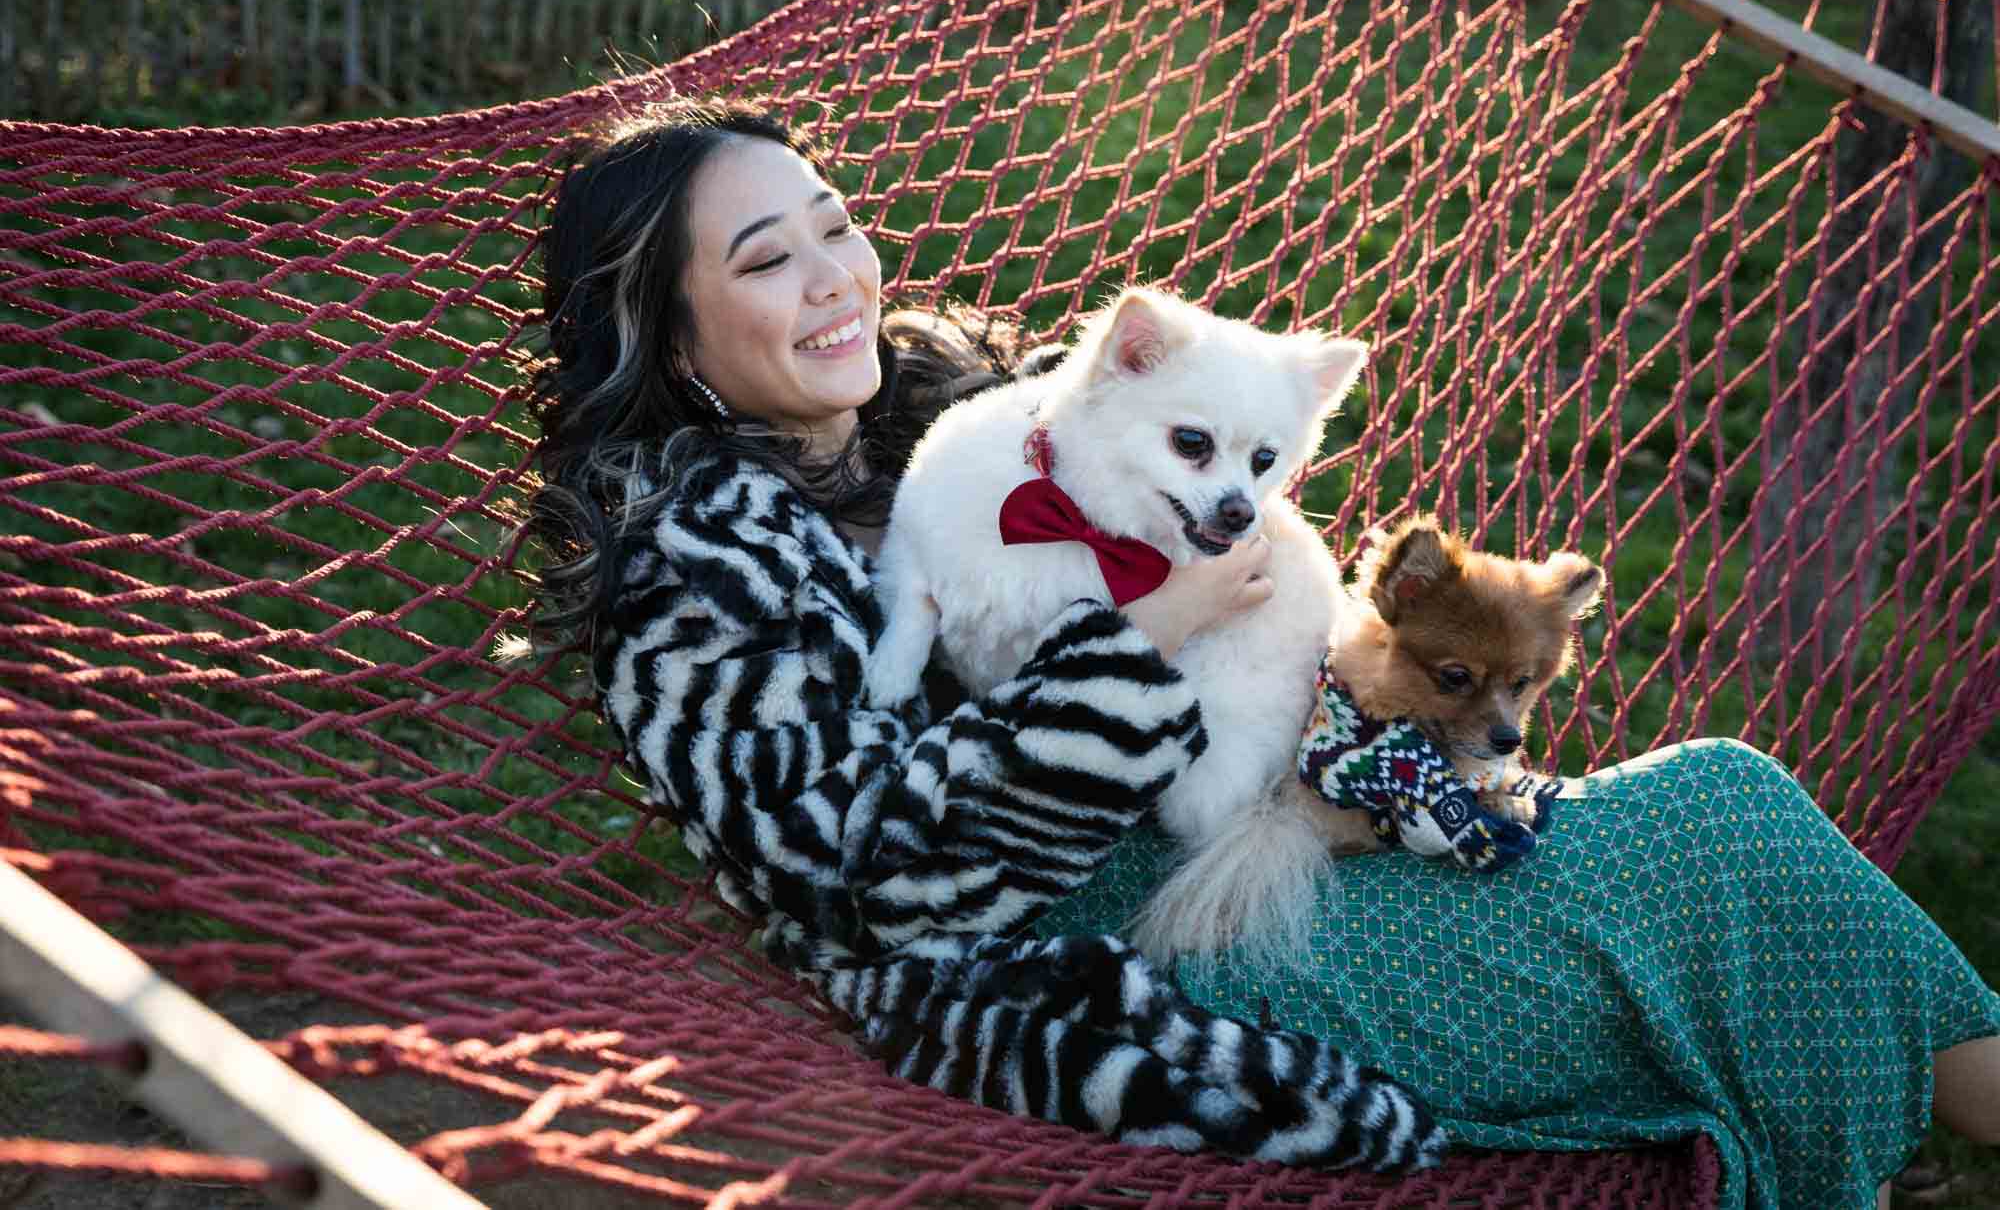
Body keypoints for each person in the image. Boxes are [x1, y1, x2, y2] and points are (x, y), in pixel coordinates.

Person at [520, 98, 2000, 1208]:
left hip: (1263, 847)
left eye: (837, 222)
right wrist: (1137, 639)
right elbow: (872, 883)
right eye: (770, 260)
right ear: (665, 330)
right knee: (1717, 841)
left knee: (1719, 817)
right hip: (1112, 959)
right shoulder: (696, 579)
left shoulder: (966, 424)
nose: (836, 275)